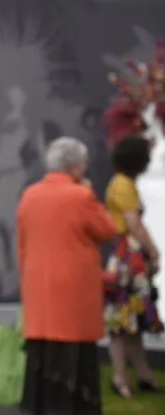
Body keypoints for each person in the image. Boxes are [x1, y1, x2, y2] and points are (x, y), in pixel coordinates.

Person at [17, 137, 116, 415]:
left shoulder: (29, 194)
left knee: (42, 350)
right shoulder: (81, 196)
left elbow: (23, 242)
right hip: (72, 290)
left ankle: (38, 406)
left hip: (37, 286)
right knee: (75, 352)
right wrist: (90, 193)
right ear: (74, 167)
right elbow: (107, 229)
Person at [104, 136, 164, 398]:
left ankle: (143, 375)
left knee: (132, 320)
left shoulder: (122, 183)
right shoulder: (123, 185)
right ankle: (121, 378)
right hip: (128, 258)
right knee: (121, 320)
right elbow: (133, 223)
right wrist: (153, 250)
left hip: (127, 256)